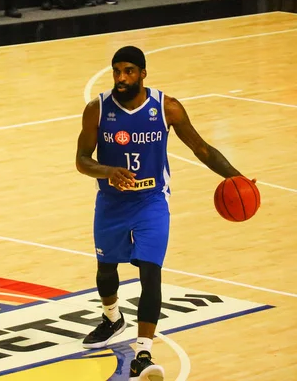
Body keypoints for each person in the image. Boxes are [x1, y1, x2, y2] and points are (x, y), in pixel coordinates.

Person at [75, 46, 254, 380]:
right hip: (112, 202)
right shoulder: (97, 109)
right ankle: (112, 318)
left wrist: (235, 176)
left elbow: (201, 149)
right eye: (116, 71)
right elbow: (82, 160)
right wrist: (107, 170)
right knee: (105, 270)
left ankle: (143, 352)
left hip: (151, 202)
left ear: (143, 73)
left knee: (150, 271)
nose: (121, 78)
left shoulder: (166, 107)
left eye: (128, 71)